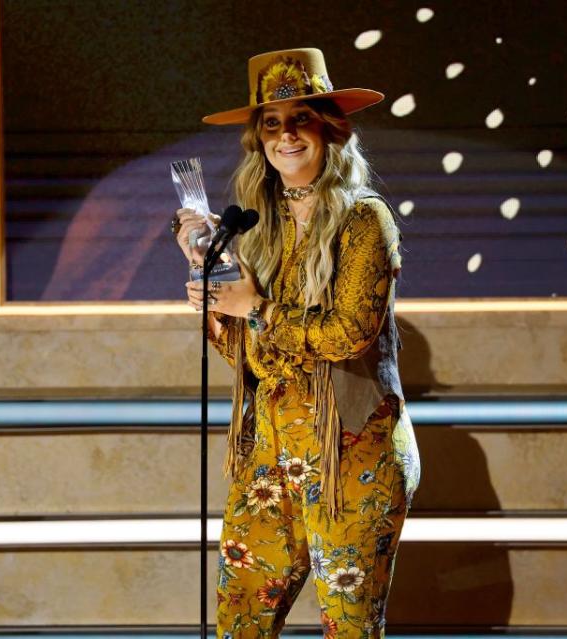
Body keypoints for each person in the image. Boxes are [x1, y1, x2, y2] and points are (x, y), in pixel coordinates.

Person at [173, 48, 420, 638]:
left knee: (350, 629)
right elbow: (252, 354)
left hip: (351, 453)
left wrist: (253, 306)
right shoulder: (256, 221)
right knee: (241, 617)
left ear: (330, 127)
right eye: (272, 123)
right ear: (259, 139)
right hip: (271, 451)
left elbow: (348, 335)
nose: (286, 135)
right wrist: (217, 289)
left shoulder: (366, 219)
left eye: (300, 118)